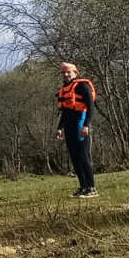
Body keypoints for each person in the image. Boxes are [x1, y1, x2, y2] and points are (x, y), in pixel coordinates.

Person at [54, 62, 97, 199]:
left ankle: (91, 188)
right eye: (63, 72)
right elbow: (65, 112)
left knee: (83, 156)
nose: (66, 75)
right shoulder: (65, 88)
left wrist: (86, 125)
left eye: (68, 72)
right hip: (69, 125)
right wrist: (60, 128)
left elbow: (91, 107)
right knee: (74, 157)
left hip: (80, 123)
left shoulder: (82, 86)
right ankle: (83, 186)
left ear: (75, 72)